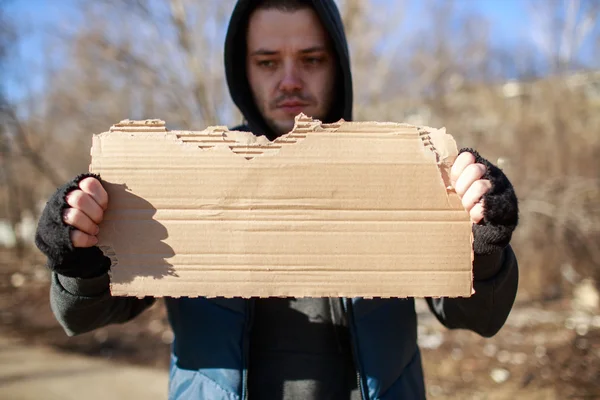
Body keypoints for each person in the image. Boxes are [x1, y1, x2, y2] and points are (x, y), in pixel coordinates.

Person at [34, 0, 519, 399]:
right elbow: (85, 315)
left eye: (311, 59)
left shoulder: (400, 171)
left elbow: (478, 315)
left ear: (338, 66)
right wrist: (79, 252)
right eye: (268, 62)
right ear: (243, 70)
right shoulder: (187, 175)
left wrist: (485, 243)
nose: (289, 80)